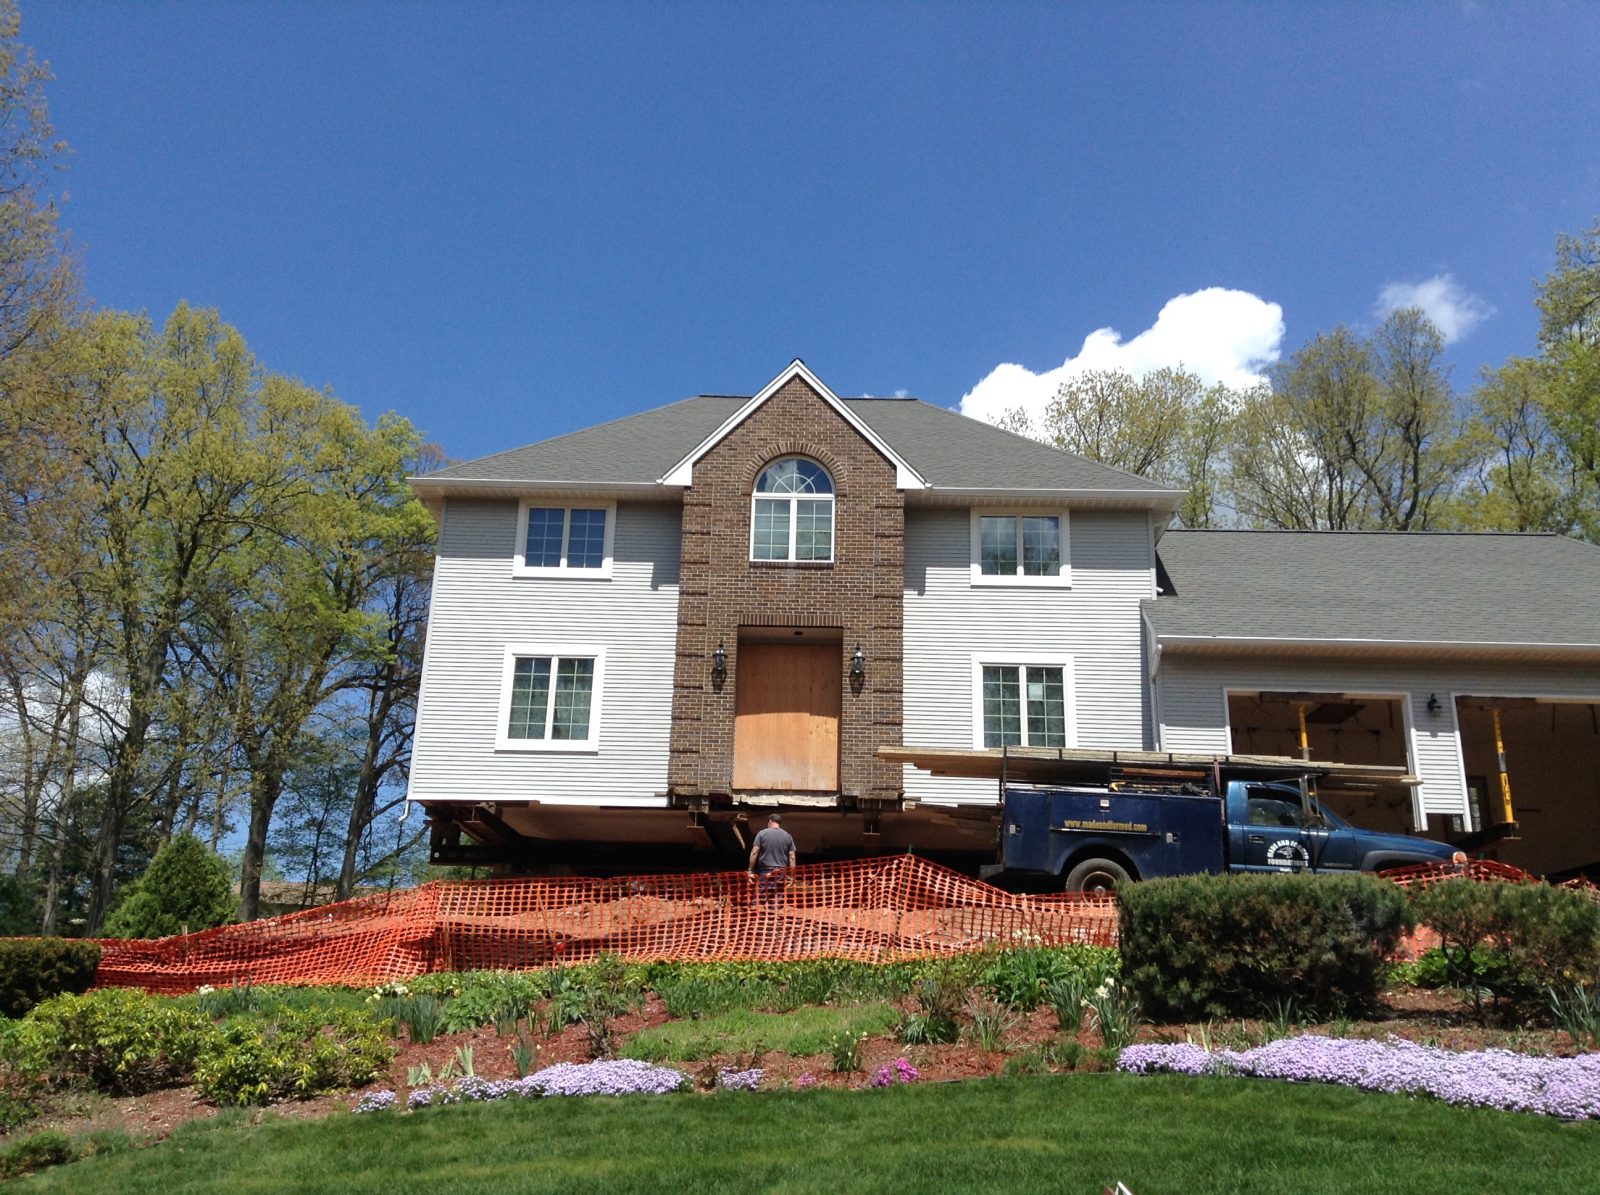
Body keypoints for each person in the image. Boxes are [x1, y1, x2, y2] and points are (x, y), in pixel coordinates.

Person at [747, 813, 796, 908]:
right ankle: (772, 916)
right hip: (781, 870)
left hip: (765, 869)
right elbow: (792, 857)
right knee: (776, 896)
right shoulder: (787, 836)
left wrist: (750, 869)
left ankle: (754, 916)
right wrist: (792, 875)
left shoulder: (762, 833)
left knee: (759, 895)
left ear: (770, 821)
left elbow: (754, 852)